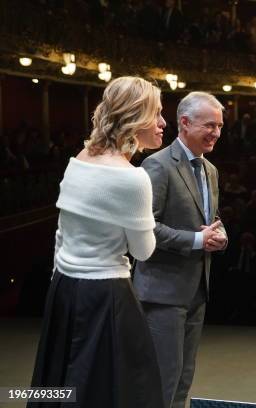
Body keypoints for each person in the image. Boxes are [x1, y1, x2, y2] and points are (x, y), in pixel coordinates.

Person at [29, 76, 166, 408]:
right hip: (107, 294)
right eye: (157, 113)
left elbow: (62, 232)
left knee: (60, 384)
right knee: (119, 390)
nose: (163, 123)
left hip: (64, 286)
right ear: (135, 118)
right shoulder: (134, 178)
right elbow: (143, 250)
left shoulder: (79, 158)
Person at [133, 91, 228, 408]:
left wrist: (219, 234)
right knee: (162, 381)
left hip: (196, 292)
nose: (216, 132)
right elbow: (146, 227)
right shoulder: (156, 165)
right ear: (184, 123)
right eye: (209, 125)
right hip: (161, 294)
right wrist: (198, 241)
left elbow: (209, 219)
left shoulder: (210, 170)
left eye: (219, 126)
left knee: (183, 382)